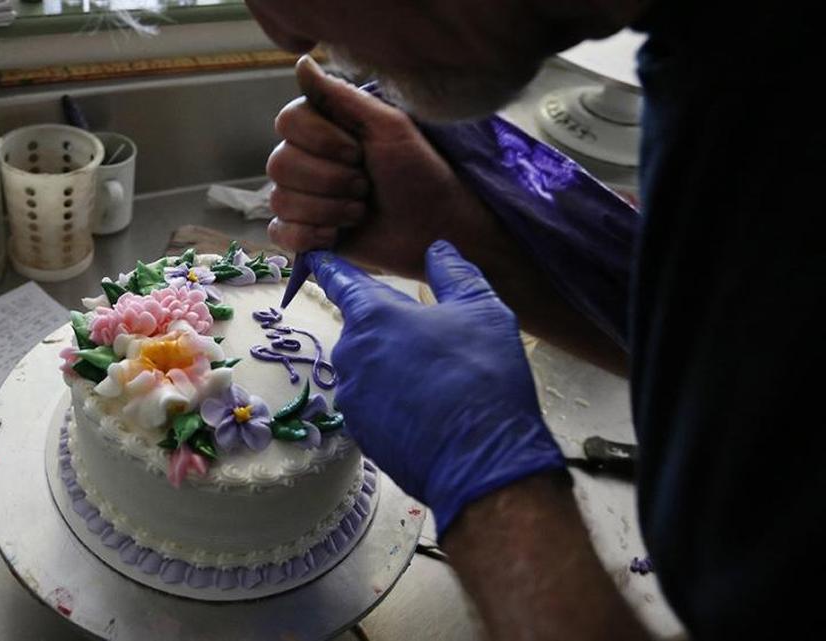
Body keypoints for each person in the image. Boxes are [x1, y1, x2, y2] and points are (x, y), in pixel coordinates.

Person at [244, 1, 823, 639]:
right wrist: (460, 232)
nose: (287, 33)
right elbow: (739, 354)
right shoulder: (726, 51)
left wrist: (487, 479)